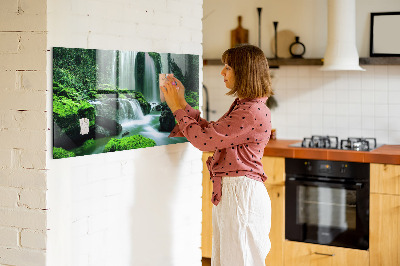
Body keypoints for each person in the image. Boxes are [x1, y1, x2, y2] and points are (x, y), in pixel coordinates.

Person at [161, 44, 273, 266]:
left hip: (241, 195)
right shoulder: (246, 106)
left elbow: (204, 141)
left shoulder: (250, 111)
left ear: (244, 72)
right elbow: (212, 133)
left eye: (228, 67)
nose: (222, 72)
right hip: (236, 193)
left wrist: (176, 108)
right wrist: (182, 103)